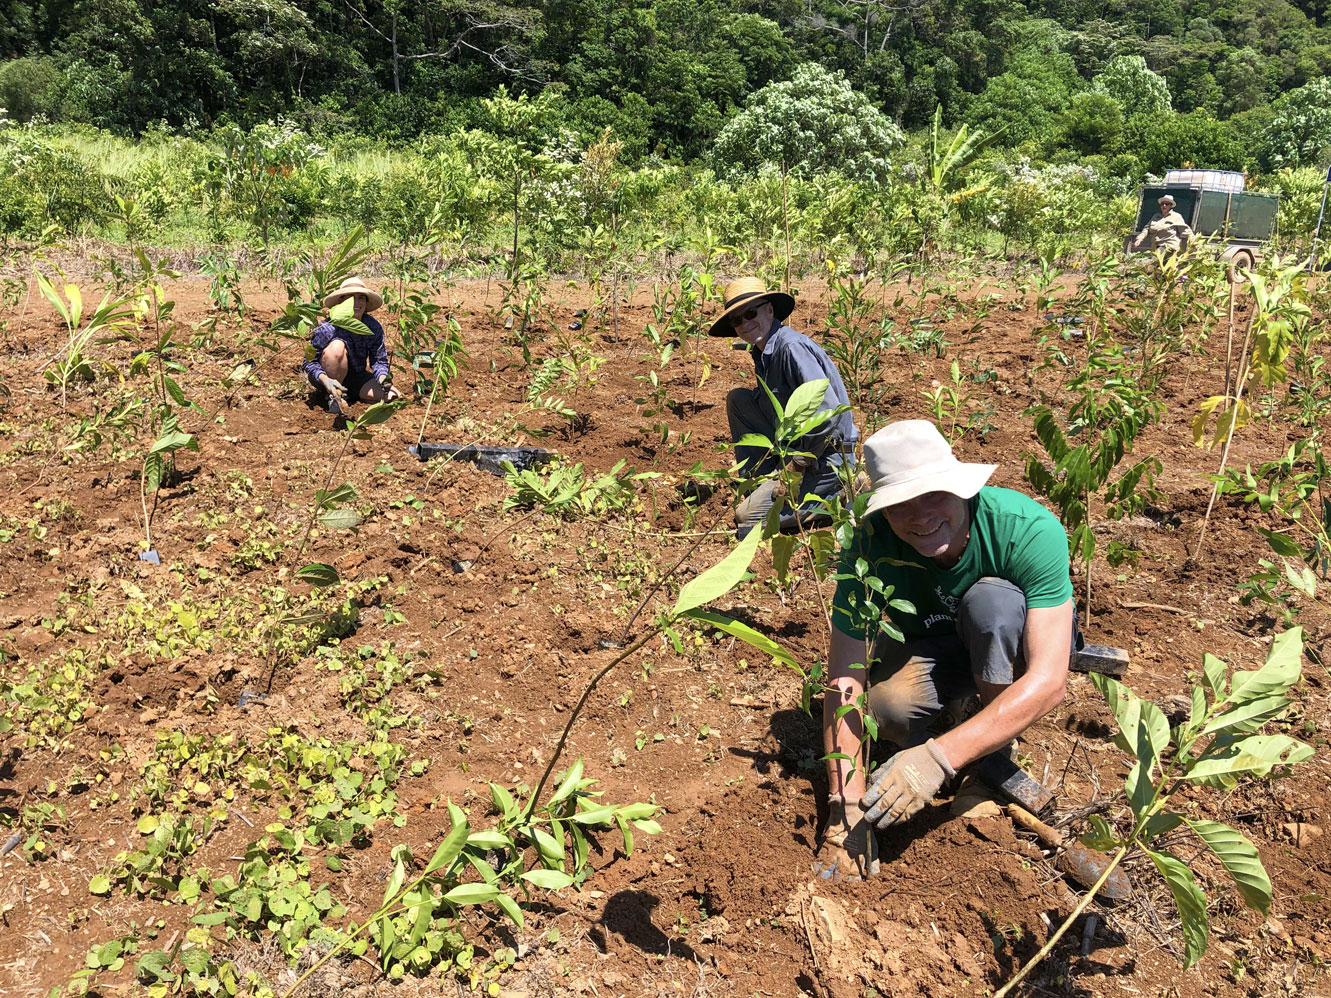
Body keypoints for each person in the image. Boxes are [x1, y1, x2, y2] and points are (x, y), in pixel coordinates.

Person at [814, 420, 1075, 881]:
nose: (920, 515)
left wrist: (939, 759)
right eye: (899, 506)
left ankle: (991, 755)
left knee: (991, 606)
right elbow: (845, 676)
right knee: (887, 709)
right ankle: (963, 715)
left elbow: (1049, 680)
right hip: (934, 646)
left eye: (933, 495)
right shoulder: (868, 545)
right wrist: (847, 804)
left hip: (1008, 648)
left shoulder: (1027, 529)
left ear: (961, 489)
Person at [707, 278, 858, 532]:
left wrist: (796, 467)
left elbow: (826, 416)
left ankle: (840, 492)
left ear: (770, 309)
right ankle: (761, 483)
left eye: (751, 312)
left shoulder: (791, 348)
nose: (745, 323)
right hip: (797, 450)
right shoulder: (763, 351)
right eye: (737, 320)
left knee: (747, 520)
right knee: (739, 400)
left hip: (827, 458)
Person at [304, 276, 401, 415]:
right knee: (337, 347)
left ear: (366, 303)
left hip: (356, 377)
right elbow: (309, 363)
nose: (356, 302)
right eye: (350, 298)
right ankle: (334, 396)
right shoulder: (327, 327)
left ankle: (351, 394)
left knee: (393, 397)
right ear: (341, 302)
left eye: (361, 297)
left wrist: (382, 378)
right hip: (328, 378)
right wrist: (325, 380)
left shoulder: (373, 327)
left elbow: (379, 360)